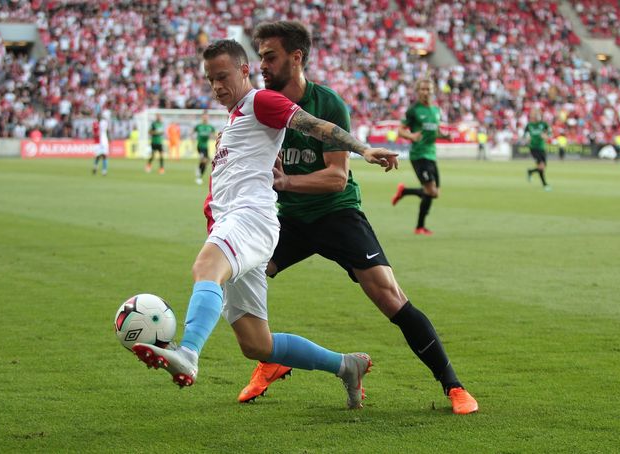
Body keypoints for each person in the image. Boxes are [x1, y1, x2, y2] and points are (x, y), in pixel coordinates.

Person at [131, 39, 398, 409]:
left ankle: (189, 353)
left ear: (244, 71)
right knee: (257, 344)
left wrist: (363, 149)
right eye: (210, 80)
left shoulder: (260, 101)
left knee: (206, 267)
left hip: (251, 217)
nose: (217, 86)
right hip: (236, 222)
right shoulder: (237, 116)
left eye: (223, 76)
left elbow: (316, 125)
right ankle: (346, 365)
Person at [236, 21, 478, 415]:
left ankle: (454, 386)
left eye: (270, 56)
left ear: (296, 58)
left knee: (387, 294)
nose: (262, 64)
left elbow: (336, 178)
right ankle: (271, 359)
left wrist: (285, 181)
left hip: (337, 214)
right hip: (289, 221)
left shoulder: (327, 104)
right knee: (245, 279)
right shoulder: (263, 105)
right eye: (260, 56)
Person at [392, 78, 449, 236]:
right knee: (431, 190)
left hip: (431, 154)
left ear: (432, 91)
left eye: (428, 89)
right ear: (418, 91)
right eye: (422, 89)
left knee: (434, 192)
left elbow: (435, 131)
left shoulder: (436, 110)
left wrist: (445, 136)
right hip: (418, 155)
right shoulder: (414, 110)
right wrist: (411, 136)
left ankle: (405, 193)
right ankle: (419, 227)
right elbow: (400, 130)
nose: (425, 92)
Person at [523, 109, 551, 190]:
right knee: (541, 166)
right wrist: (527, 138)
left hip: (542, 147)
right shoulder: (529, 125)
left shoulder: (543, 124)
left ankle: (530, 171)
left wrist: (546, 135)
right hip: (533, 148)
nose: (534, 117)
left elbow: (549, 132)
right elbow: (525, 134)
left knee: (543, 166)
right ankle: (545, 185)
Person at [192, 111, 216, 185]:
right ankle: (199, 177)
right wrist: (192, 139)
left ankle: (199, 171)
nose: (205, 117)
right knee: (204, 160)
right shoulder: (198, 126)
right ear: (202, 117)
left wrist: (216, 137)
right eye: (204, 116)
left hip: (206, 147)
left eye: (206, 116)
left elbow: (213, 135)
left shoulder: (210, 127)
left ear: (208, 117)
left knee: (206, 162)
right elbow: (192, 132)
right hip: (200, 146)